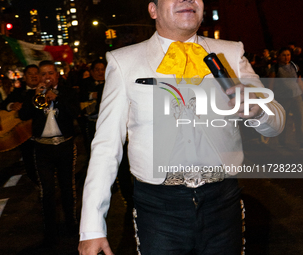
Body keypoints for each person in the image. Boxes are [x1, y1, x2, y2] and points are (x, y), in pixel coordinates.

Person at [78, 0, 285, 254]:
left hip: (223, 201)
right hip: (158, 208)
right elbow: (106, 146)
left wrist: (258, 110)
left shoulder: (230, 53)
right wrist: (92, 228)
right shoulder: (123, 62)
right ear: (153, 10)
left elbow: (276, 123)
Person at [19, 60, 80, 245]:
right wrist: (35, 96)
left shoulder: (68, 91)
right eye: (43, 74)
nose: (47, 77)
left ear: (57, 74)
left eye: (50, 73)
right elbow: (23, 115)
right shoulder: (33, 94)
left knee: (67, 187)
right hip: (42, 147)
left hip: (65, 146)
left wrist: (58, 98)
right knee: (47, 191)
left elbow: (76, 112)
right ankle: (50, 230)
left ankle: (71, 224)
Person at [1, 64, 40, 185]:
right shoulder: (18, 92)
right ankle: (37, 184)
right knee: (29, 162)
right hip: (25, 135)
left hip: (44, 133)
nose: (33, 76)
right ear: (24, 77)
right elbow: (3, 105)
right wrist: (11, 106)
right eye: (30, 74)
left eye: (36, 73)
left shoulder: (47, 89)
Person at [269, 47, 303, 149]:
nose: (286, 57)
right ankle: (282, 141)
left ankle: (300, 141)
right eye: (284, 55)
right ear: (279, 56)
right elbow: (271, 83)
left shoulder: (294, 66)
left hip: (296, 97)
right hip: (283, 98)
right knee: (284, 120)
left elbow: (299, 80)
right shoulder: (275, 68)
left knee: (300, 119)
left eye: (288, 55)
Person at [78, 59, 106, 156]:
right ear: (92, 71)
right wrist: (92, 95)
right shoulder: (85, 83)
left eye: (103, 69)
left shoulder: (110, 83)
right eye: (97, 70)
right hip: (90, 122)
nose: (100, 72)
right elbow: (79, 96)